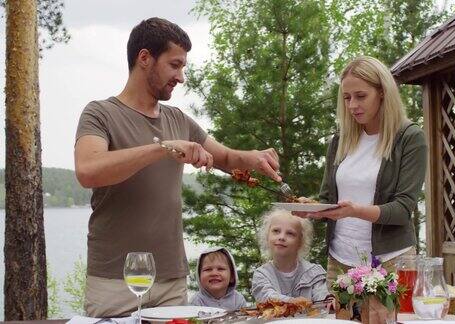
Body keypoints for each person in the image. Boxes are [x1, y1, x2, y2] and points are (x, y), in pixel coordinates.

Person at [74, 17, 282, 317]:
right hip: (113, 280)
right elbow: (88, 170)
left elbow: (224, 157)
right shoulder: (100, 113)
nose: (181, 77)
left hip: (171, 280)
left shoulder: (179, 120)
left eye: (183, 67)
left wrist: (253, 157)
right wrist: (163, 148)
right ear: (144, 58)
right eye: (175, 65)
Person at [296, 55, 427, 288]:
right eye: (347, 98)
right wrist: (316, 209)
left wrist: (355, 211)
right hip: (340, 262)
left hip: (391, 262)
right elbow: (329, 199)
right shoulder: (340, 140)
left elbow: (402, 210)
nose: (352, 105)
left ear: (383, 93)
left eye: (361, 96)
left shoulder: (409, 138)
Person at [251, 209, 330, 303]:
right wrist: (293, 302)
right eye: (276, 231)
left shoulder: (313, 273)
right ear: (267, 236)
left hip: (310, 318)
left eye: (290, 233)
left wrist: (329, 300)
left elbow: (323, 299)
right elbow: (266, 297)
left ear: (301, 241)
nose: (281, 237)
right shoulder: (262, 274)